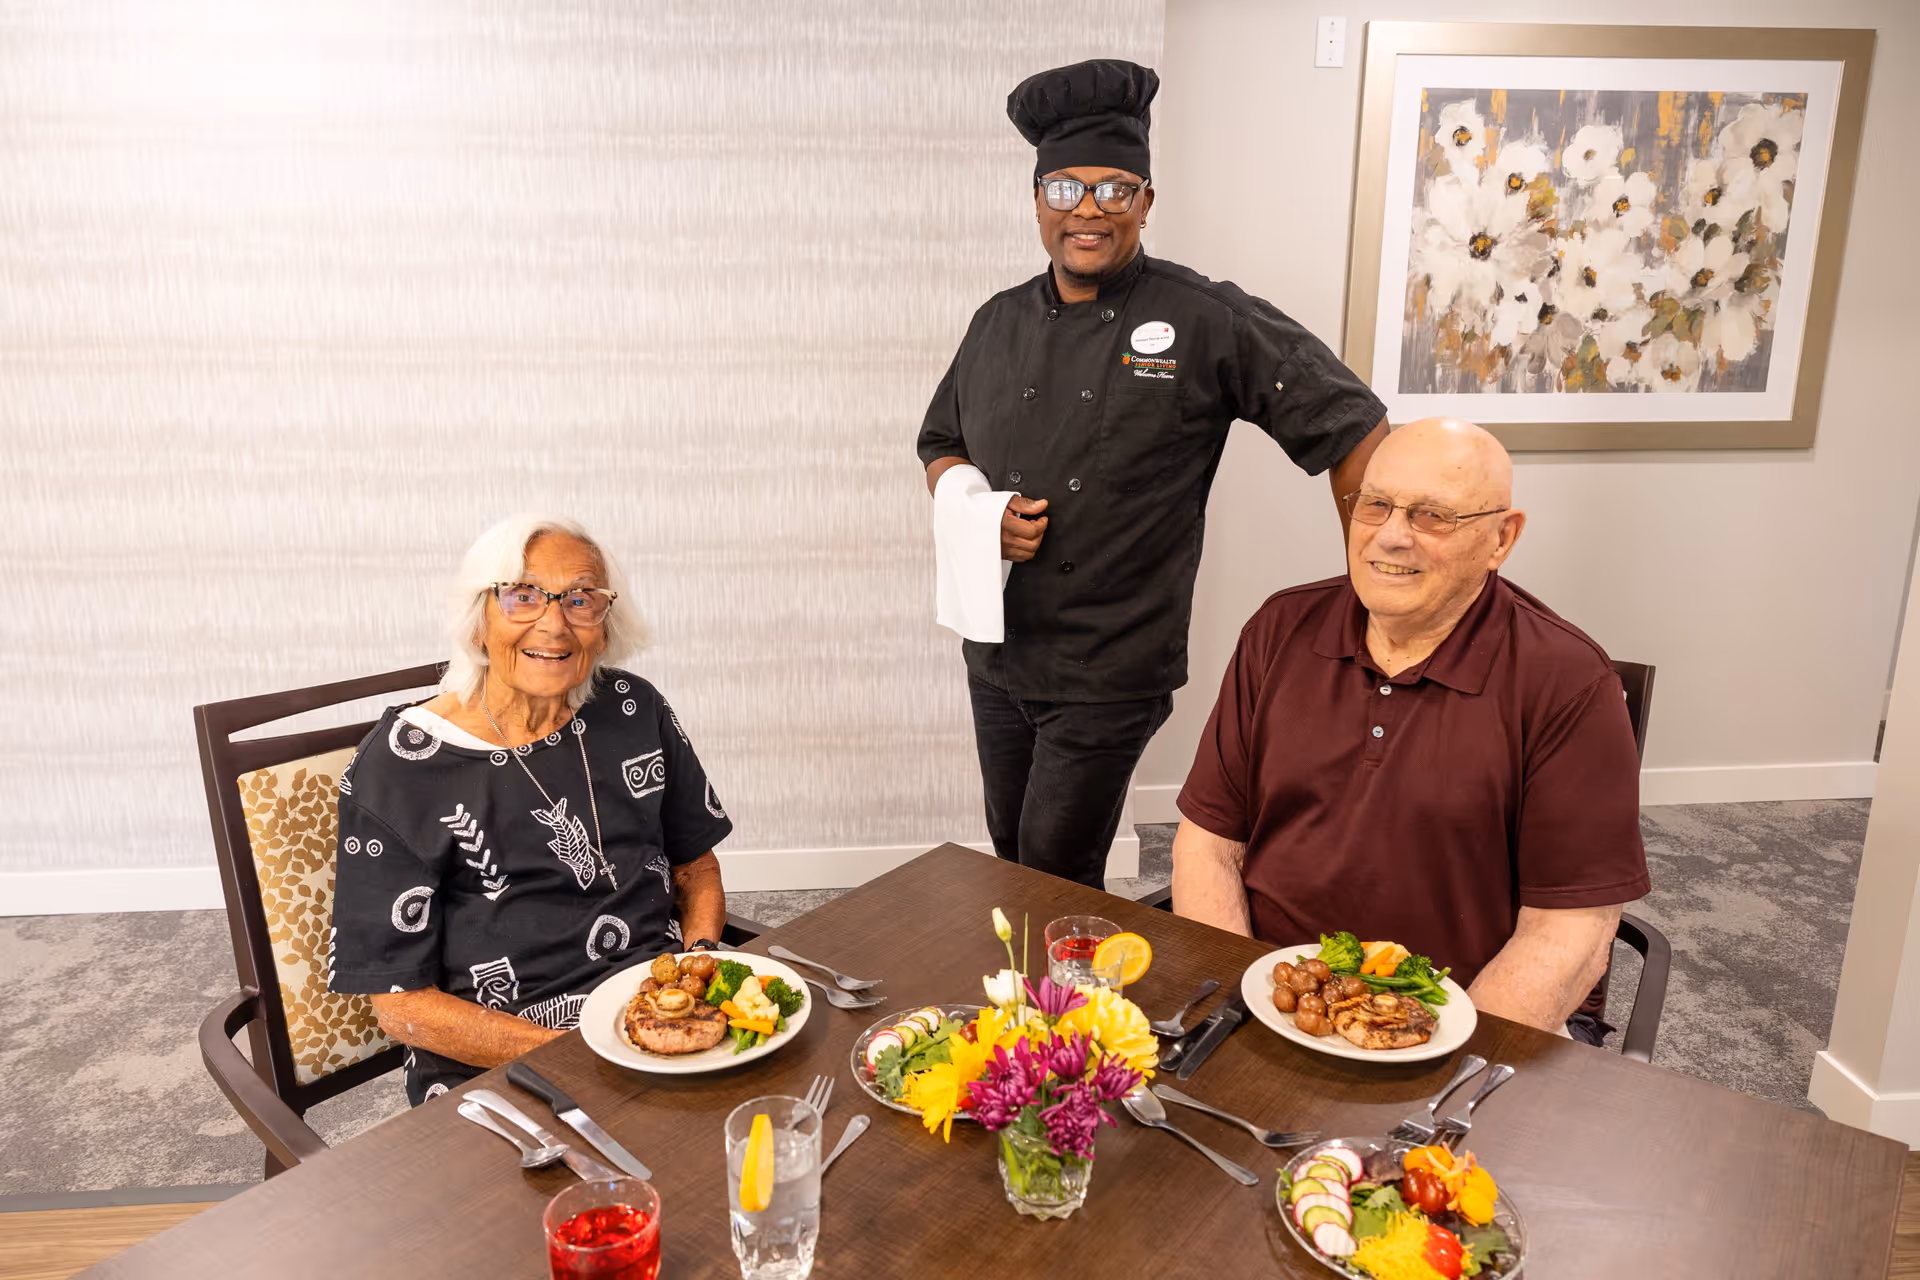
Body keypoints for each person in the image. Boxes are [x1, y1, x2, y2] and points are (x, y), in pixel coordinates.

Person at [917, 58, 1390, 890]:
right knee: (1014, 855)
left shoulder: (1204, 316)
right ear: (1037, 203)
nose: (1089, 209)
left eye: (1115, 189)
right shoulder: (994, 323)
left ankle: (1074, 1014)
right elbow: (940, 443)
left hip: (1112, 662)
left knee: (1055, 868)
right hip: (997, 649)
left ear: (1145, 202)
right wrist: (976, 509)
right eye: (1065, 189)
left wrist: (1373, 579)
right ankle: (1048, 1013)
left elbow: (1354, 425)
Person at [1171, 418, 1649, 1042]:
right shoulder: (1278, 630)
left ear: (1502, 538)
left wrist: (1445, 1056)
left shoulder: (1568, 682)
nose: (1391, 537)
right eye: (1375, 505)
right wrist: (1243, 1004)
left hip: (1474, 1020)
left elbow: (1571, 932)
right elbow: (1207, 844)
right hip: (1276, 1001)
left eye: (1433, 517)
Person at [328, 515, 732, 1102]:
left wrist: (697, 972)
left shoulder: (633, 708)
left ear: (604, 619)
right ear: (478, 621)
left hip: (663, 1016)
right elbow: (402, 1006)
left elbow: (696, 867)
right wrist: (591, 1053)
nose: (555, 625)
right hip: (502, 1059)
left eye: (580, 600)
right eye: (522, 597)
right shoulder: (401, 766)